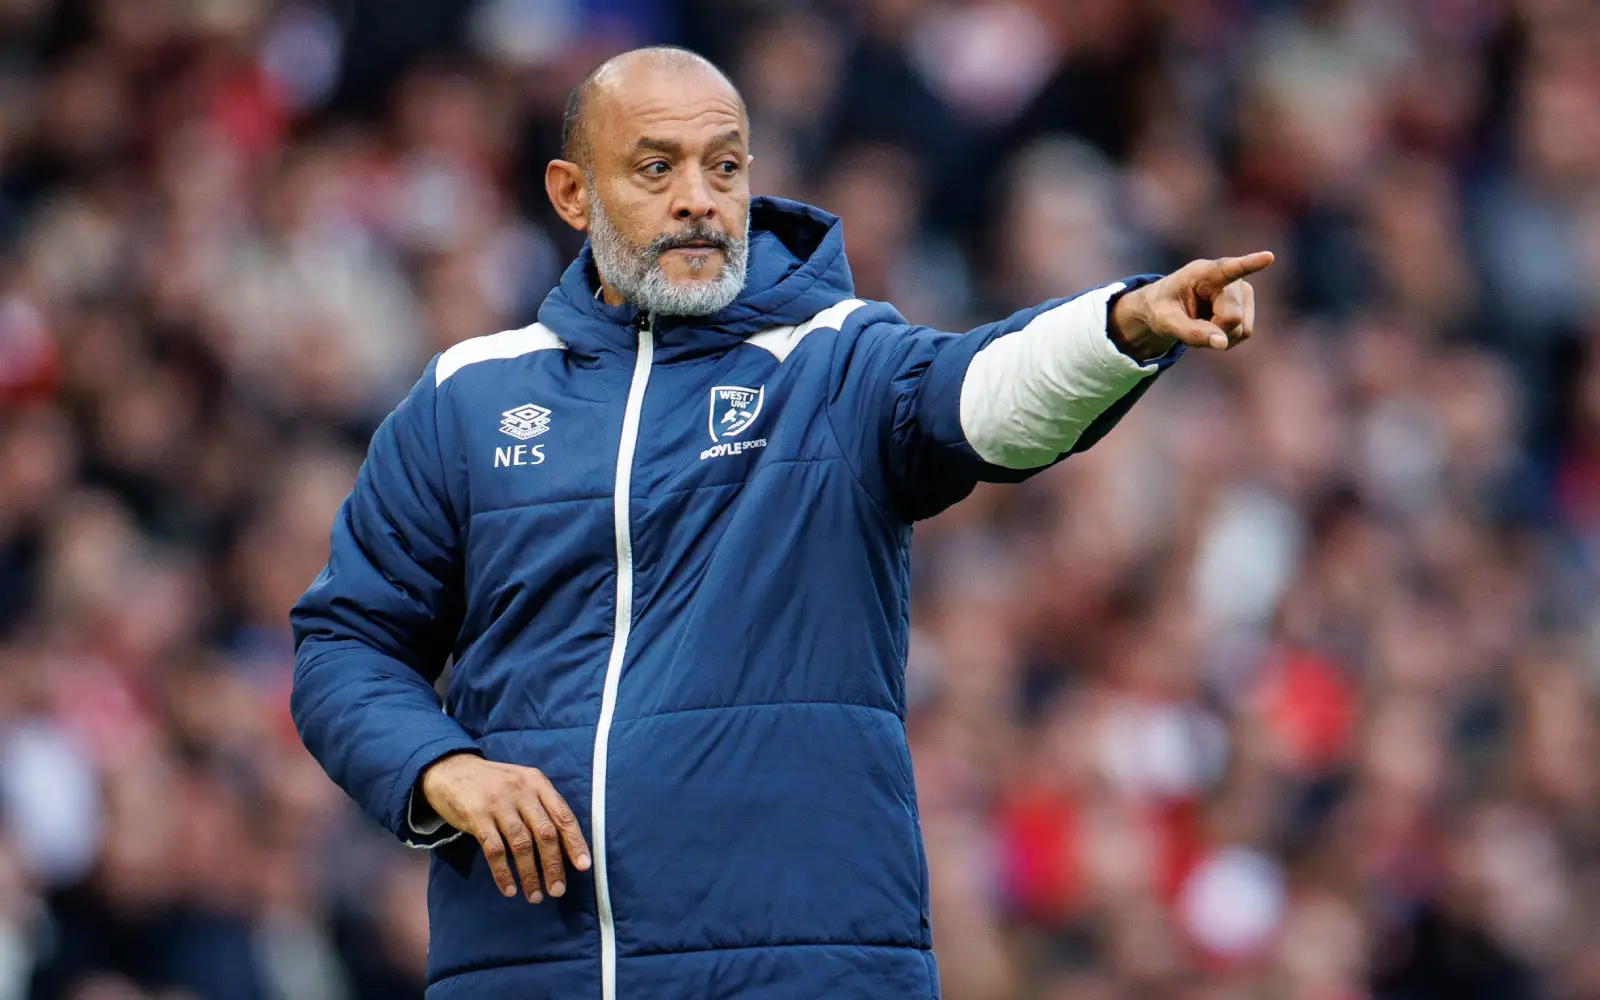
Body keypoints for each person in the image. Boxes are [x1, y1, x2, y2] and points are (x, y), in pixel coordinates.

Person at [289, 45, 1271, 1000]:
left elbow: (984, 393)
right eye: (656, 168)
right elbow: (347, 643)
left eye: (723, 167)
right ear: (571, 194)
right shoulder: (467, 397)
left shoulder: (835, 362)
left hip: (802, 967)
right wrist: (440, 769)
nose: (698, 198)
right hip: (528, 967)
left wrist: (1120, 324)